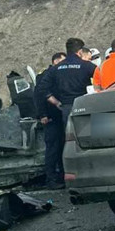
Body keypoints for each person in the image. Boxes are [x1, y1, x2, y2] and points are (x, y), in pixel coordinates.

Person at [35, 38, 99, 189]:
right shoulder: (87, 66)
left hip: (66, 109)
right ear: (79, 51)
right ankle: (90, 175)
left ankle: (70, 176)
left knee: (68, 143)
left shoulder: (57, 68)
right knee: (88, 141)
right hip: (85, 107)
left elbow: (41, 89)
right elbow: (101, 81)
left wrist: (56, 102)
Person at [34, 52, 66, 189]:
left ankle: (61, 176)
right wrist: (43, 114)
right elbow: (39, 96)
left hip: (60, 116)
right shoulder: (45, 76)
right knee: (53, 149)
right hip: (51, 117)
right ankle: (51, 178)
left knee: (61, 147)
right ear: (56, 61)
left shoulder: (59, 75)